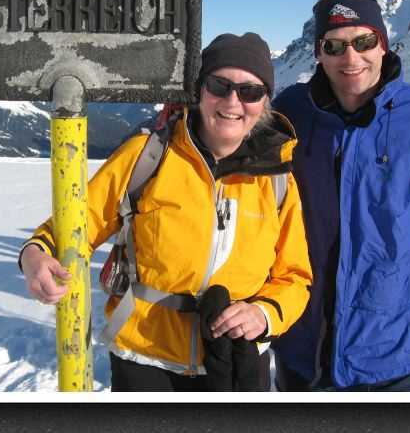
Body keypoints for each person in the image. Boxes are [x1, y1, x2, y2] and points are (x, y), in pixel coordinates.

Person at [19, 32, 313, 392]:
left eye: (250, 91)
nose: (233, 100)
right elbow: (78, 223)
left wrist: (264, 314)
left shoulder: (278, 181)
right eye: (219, 85)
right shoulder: (148, 156)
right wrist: (35, 253)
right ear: (198, 90)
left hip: (235, 359)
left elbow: (295, 278)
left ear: (265, 101)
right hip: (145, 356)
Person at [271, 0, 410, 392]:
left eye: (363, 41)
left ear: (383, 44)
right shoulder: (291, 112)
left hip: (398, 352)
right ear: (317, 52)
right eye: (334, 46)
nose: (350, 58)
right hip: (302, 346)